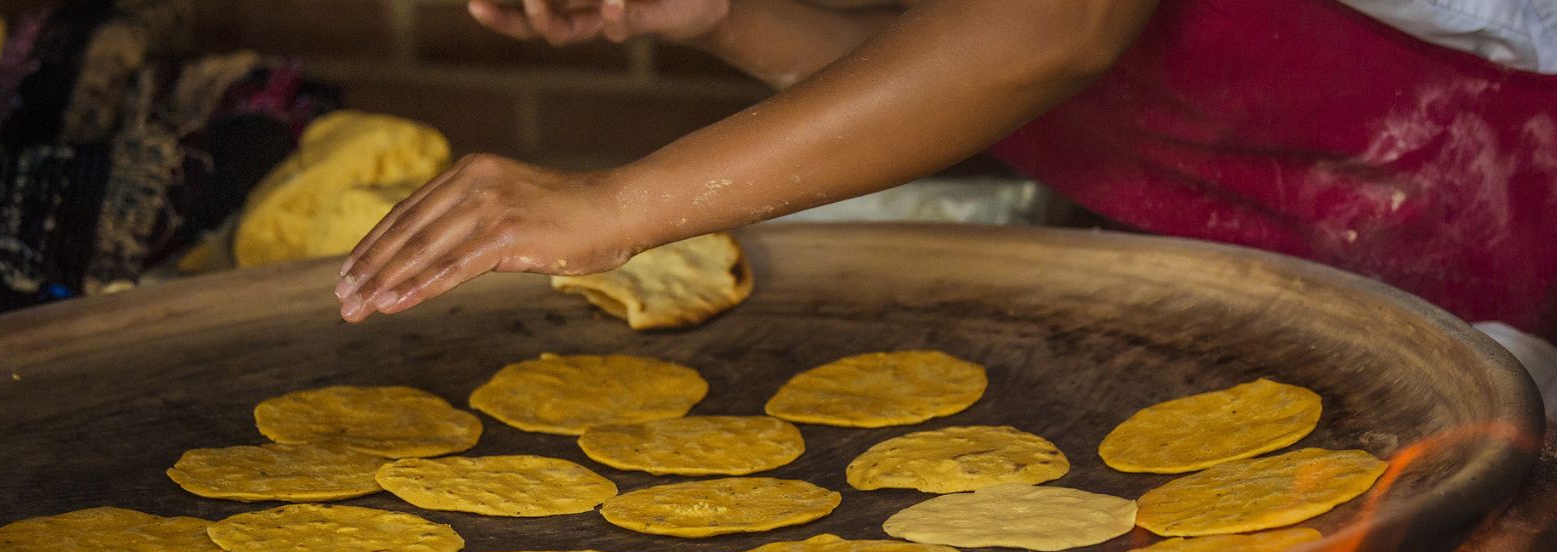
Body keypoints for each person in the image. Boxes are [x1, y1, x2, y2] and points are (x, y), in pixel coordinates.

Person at [333, 0, 1557, 411]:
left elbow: (1051, 31)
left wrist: (619, 204)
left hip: (1508, 194)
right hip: (1343, 251)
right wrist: (723, 15)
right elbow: (978, 74)